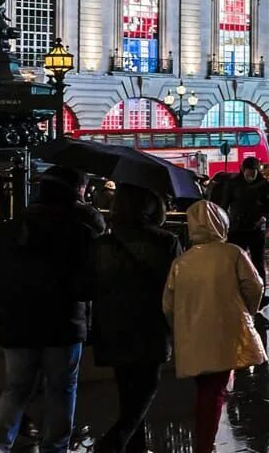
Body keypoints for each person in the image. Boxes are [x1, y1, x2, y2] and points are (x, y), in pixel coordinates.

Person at [0, 166, 102, 453]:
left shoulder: (9, 229)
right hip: (64, 323)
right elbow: (90, 282)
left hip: (17, 322)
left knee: (16, 388)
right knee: (61, 389)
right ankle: (54, 447)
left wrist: (4, 306)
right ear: (76, 192)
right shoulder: (81, 231)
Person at [163, 201, 267, 453]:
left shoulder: (181, 262)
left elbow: (168, 304)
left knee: (206, 387)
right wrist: (246, 312)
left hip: (193, 335)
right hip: (225, 331)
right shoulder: (233, 253)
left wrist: (181, 327)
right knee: (214, 390)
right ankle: (204, 444)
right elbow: (255, 286)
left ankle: (204, 439)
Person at [87, 185, 182, 453]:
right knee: (147, 386)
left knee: (127, 391)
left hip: (112, 325)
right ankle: (115, 442)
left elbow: (86, 286)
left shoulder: (102, 244)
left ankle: (134, 446)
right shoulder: (166, 242)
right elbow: (176, 285)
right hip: (150, 324)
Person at [223, 157, 269, 279]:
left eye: (253, 174)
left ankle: (260, 291)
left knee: (258, 262)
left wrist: (264, 217)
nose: (250, 177)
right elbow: (224, 205)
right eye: (248, 174)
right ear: (243, 171)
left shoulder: (264, 184)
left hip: (256, 228)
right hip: (237, 228)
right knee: (236, 261)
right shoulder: (233, 183)